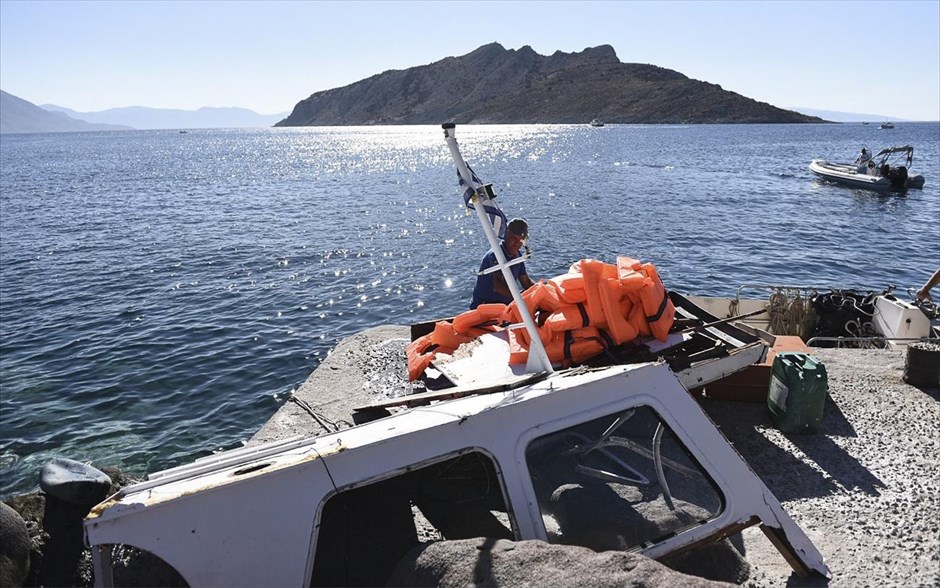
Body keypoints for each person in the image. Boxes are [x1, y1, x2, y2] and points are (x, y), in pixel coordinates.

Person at [469, 218, 534, 309]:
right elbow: (498, 286)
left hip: (505, 305)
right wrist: (521, 299)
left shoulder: (517, 255)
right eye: (514, 238)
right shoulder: (496, 255)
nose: (517, 243)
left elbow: (526, 282)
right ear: (507, 235)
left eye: (521, 239)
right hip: (485, 306)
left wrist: (540, 289)